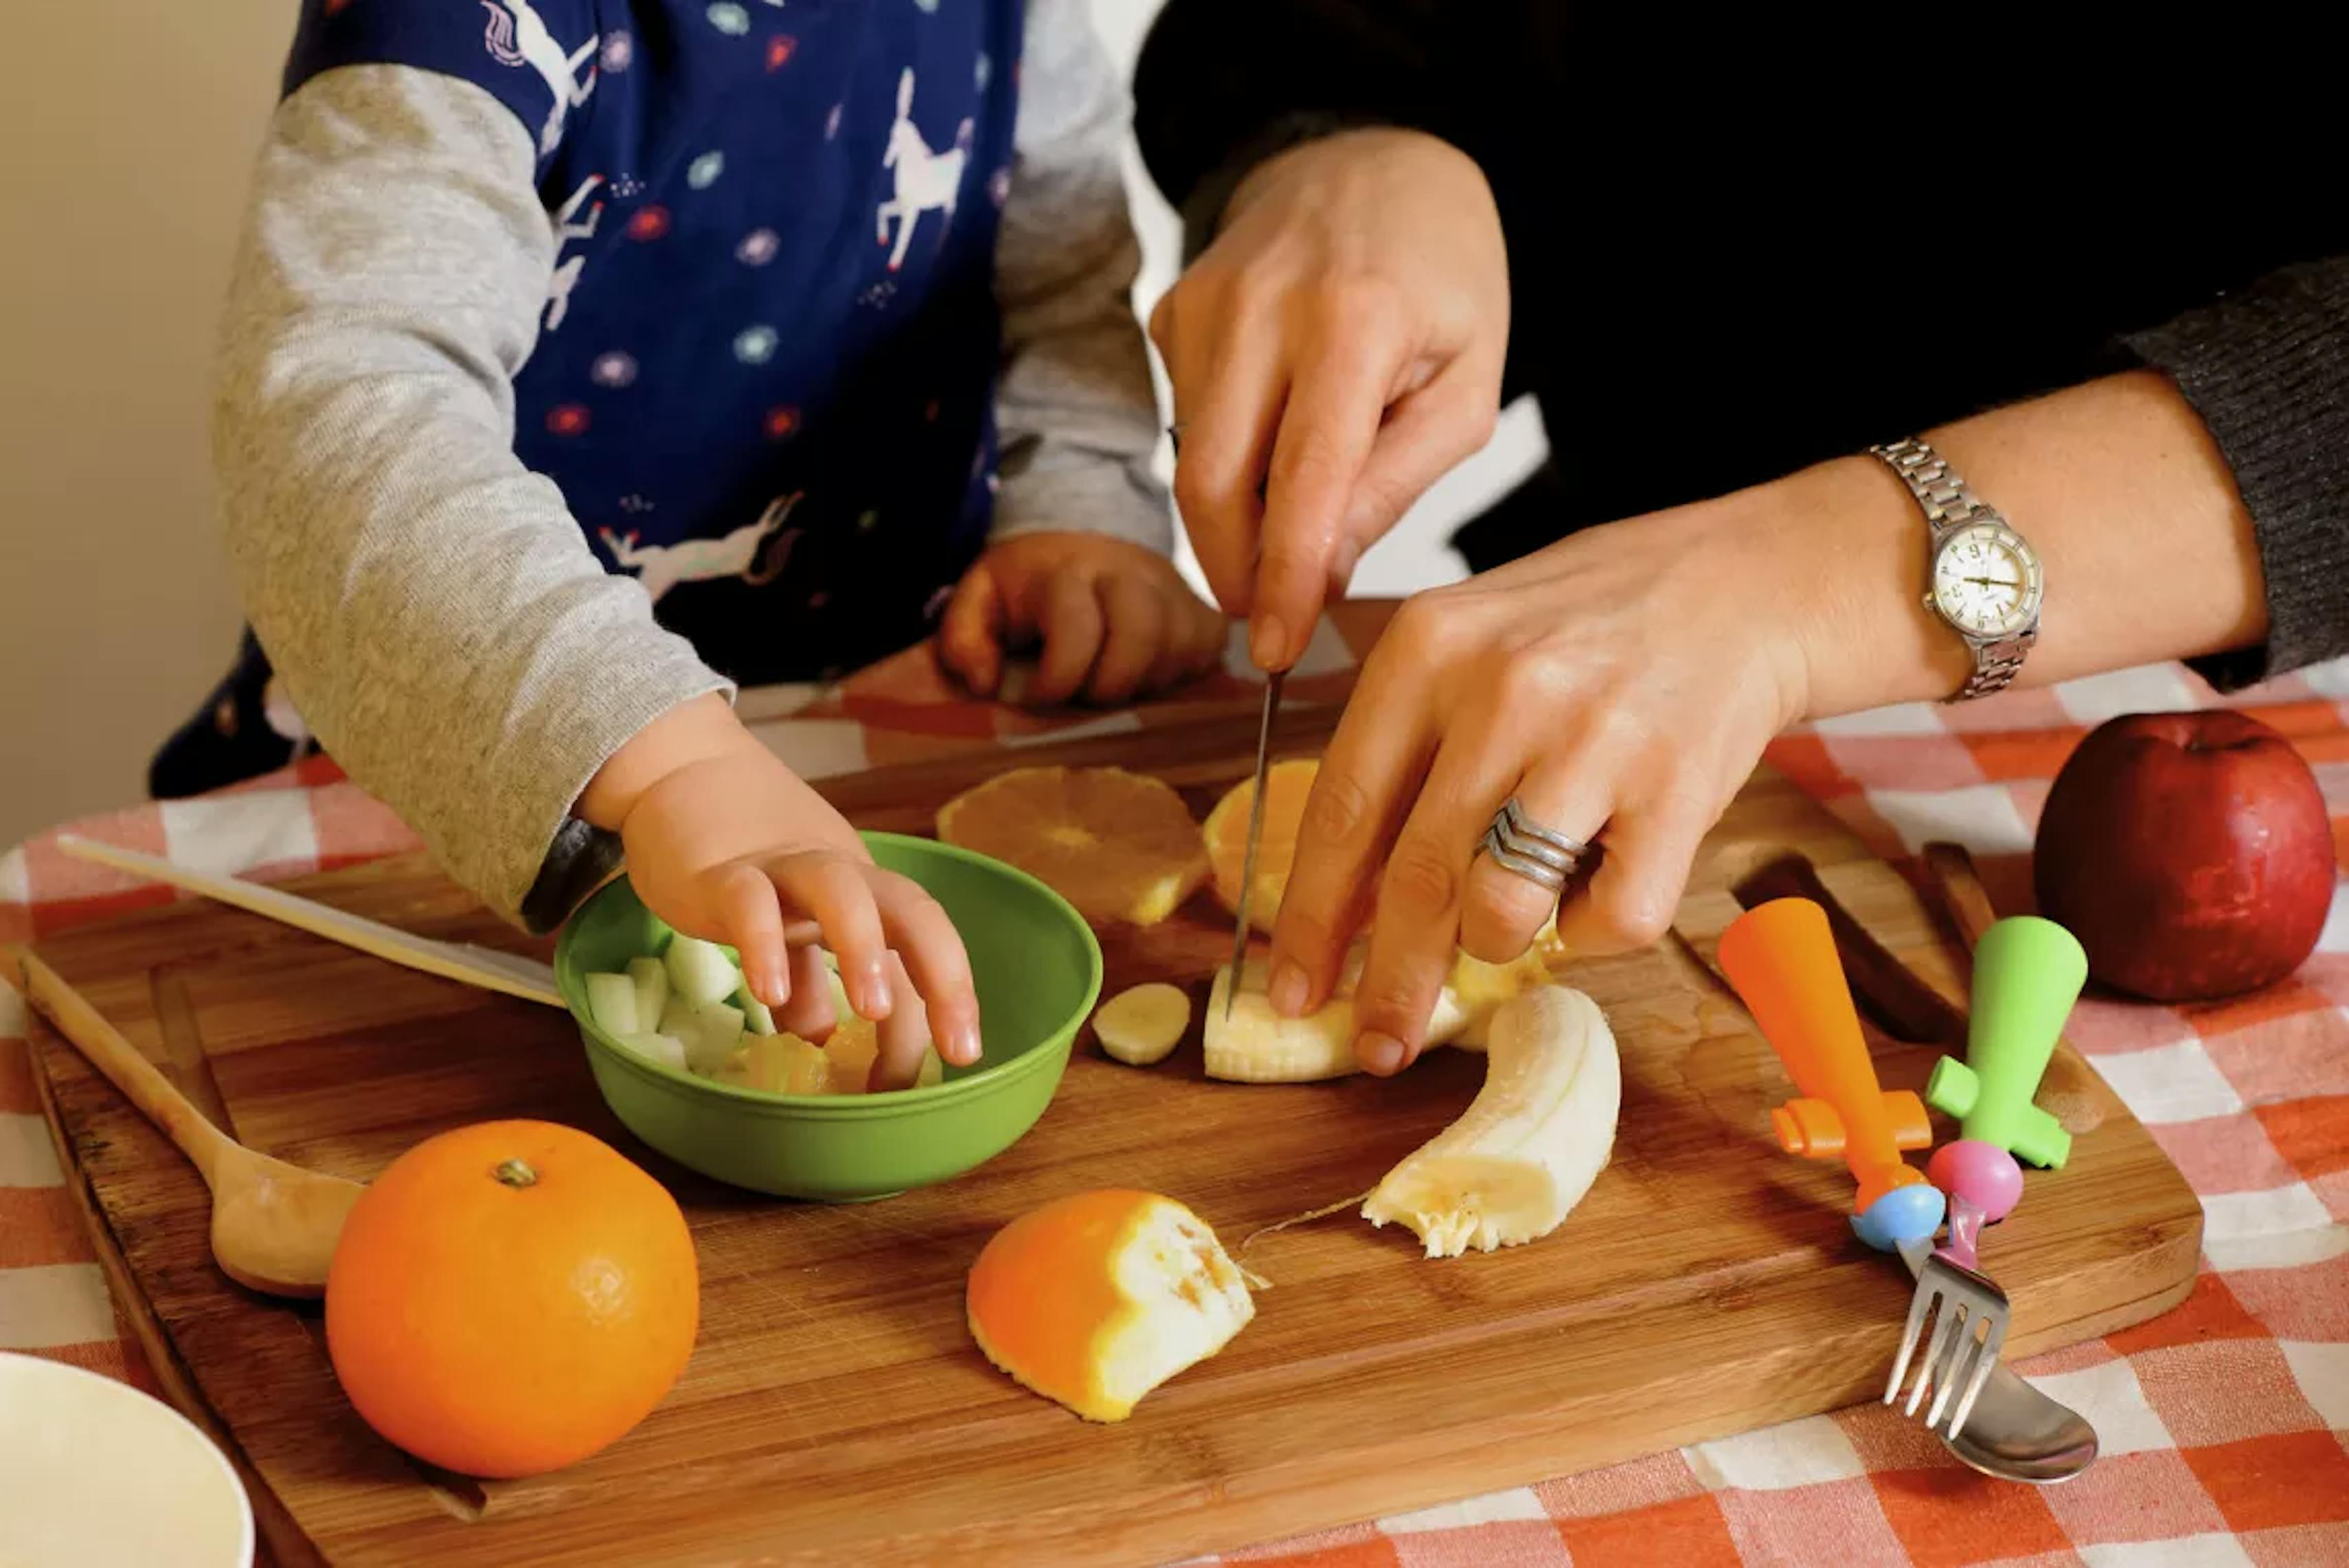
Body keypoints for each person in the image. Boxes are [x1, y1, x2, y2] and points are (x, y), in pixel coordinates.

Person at [1133, 4, 2349, 1076]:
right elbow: (1278, 37)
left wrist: (1807, 582)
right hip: (1607, 651)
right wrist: (1349, 142)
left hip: (2223, 667)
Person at [164, 0, 1227, 1086]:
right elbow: (337, 412)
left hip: (900, 719)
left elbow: (1055, 291)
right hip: (426, 794)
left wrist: (1080, 510)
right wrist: (669, 762)